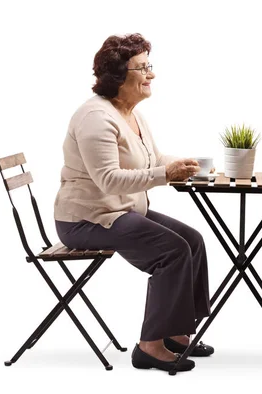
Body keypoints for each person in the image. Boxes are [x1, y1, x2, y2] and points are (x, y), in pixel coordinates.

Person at [54, 33, 214, 372]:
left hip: (121, 211)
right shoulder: (96, 117)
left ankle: (178, 333)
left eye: (149, 66)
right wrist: (164, 174)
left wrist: (184, 165)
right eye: (143, 68)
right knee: (172, 250)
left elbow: (152, 159)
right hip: (87, 220)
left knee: (192, 241)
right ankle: (150, 346)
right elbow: (108, 179)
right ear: (117, 76)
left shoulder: (132, 114)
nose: (151, 74)